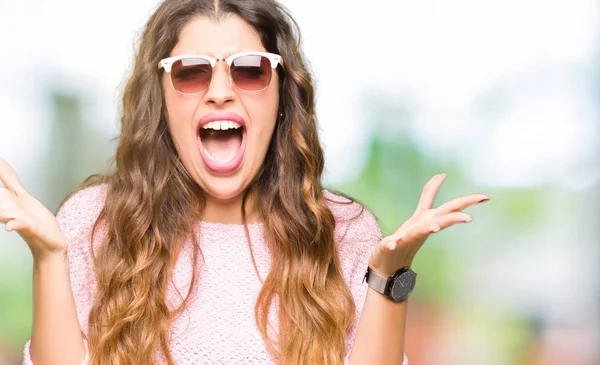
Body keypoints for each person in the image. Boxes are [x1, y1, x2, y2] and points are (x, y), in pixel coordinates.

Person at [0, 0, 488, 364]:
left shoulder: (343, 230)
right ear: (161, 100)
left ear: (281, 95)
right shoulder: (95, 222)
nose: (218, 92)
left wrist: (389, 274)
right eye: (190, 72)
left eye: (249, 70)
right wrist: (49, 257)